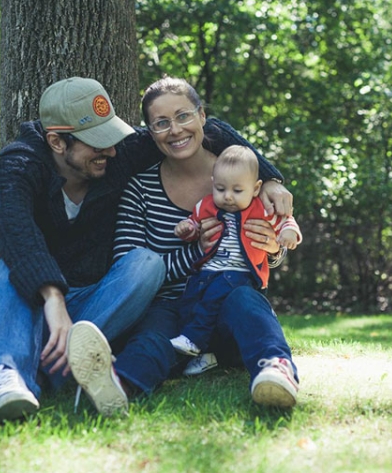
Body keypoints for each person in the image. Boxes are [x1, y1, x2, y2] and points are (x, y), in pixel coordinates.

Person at [0, 76, 292, 422]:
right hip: (25, 303)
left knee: (151, 267)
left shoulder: (115, 158)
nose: (110, 150)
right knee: (10, 264)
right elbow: (15, 233)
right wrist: (52, 298)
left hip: (93, 304)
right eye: (97, 142)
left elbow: (203, 129)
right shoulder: (18, 165)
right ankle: (7, 375)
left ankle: (34, 364)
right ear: (57, 142)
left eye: (109, 138)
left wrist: (270, 179)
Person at [66, 77, 301, 412]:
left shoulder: (242, 181)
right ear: (150, 132)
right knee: (152, 339)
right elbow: (130, 273)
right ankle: (118, 384)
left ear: (202, 117)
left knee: (246, 302)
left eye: (183, 116)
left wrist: (273, 249)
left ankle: (276, 371)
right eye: (161, 123)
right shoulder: (139, 190)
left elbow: (263, 250)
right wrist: (195, 249)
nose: (175, 130)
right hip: (171, 309)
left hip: (228, 309)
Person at [169, 145, 302, 358]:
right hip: (206, 272)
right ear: (213, 183)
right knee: (190, 302)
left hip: (239, 273)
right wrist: (187, 229)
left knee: (213, 298)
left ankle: (193, 339)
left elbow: (286, 221)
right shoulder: (206, 205)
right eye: (221, 189)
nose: (228, 197)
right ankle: (206, 354)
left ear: (256, 188)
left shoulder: (260, 208)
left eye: (237, 191)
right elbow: (194, 224)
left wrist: (289, 234)